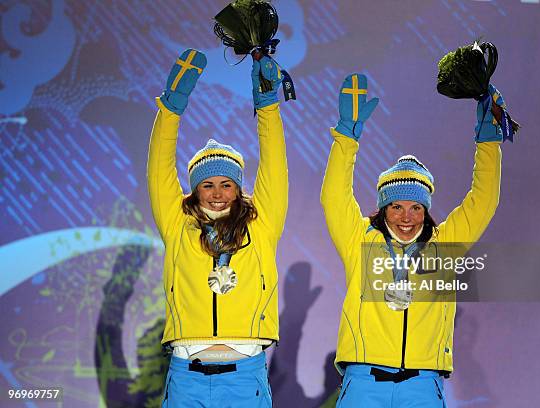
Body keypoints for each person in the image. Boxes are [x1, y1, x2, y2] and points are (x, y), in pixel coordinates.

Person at [321, 73, 506, 407]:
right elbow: (334, 197)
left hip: (422, 386)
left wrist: (488, 143)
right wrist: (347, 137)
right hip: (364, 382)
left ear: (426, 209)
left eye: (415, 207)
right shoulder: (360, 240)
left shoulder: (445, 246)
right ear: (383, 207)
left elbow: (484, 201)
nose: (406, 217)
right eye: (397, 207)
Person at [147, 48, 287, 407]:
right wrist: (171, 109)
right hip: (186, 375)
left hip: (245, 376)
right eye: (207, 185)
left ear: (240, 189)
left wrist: (267, 107)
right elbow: (159, 169)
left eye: (227, 184)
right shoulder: (177, 223)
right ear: (195, 189)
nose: (218, 193)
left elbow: (273, 165)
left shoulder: (262, 222)